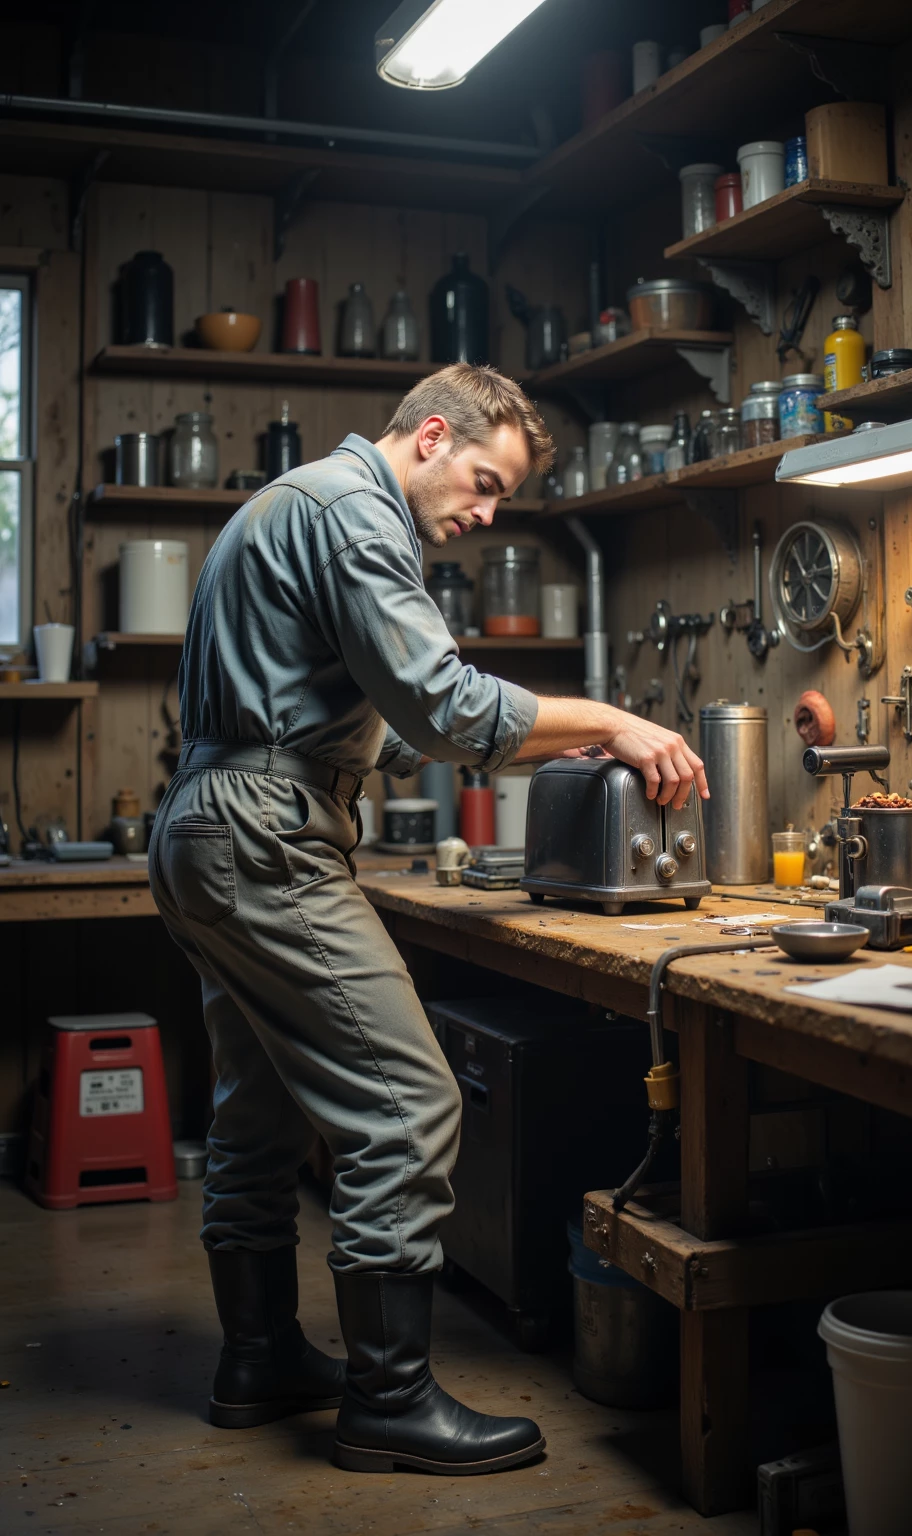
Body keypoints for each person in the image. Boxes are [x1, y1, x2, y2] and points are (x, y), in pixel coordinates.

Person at [148, 363, 708, 1477]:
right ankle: (388, 1399)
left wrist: (555, 736)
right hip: (264, 832)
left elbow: (382, 725)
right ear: (434, 434)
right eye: (485, 483)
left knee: (255, 1116)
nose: (485, 515)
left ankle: (257, 1360)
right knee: (408, 1100)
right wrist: (617, 720)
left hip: (211, 824)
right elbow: (443, 706)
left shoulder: (290, 502)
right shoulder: (358, 510)